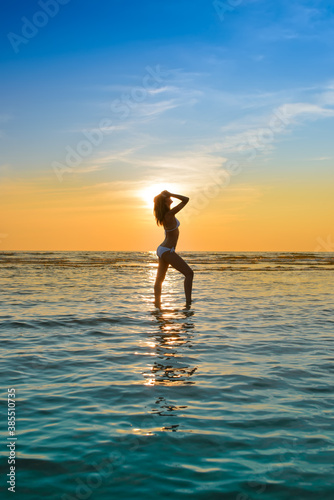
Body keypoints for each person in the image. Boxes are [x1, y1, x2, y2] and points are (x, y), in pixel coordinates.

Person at [153, 190, 194, 309]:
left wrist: (166, 195)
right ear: (165, 201)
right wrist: (171, 194)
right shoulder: (169, 215)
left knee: (160, 279)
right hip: (167, 250)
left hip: (164, 249)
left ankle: (157, 305)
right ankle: (188, 303)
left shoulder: (167, 214)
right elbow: (186, 200)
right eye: (168, 197)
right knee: (189, 273)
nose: (171, 198)